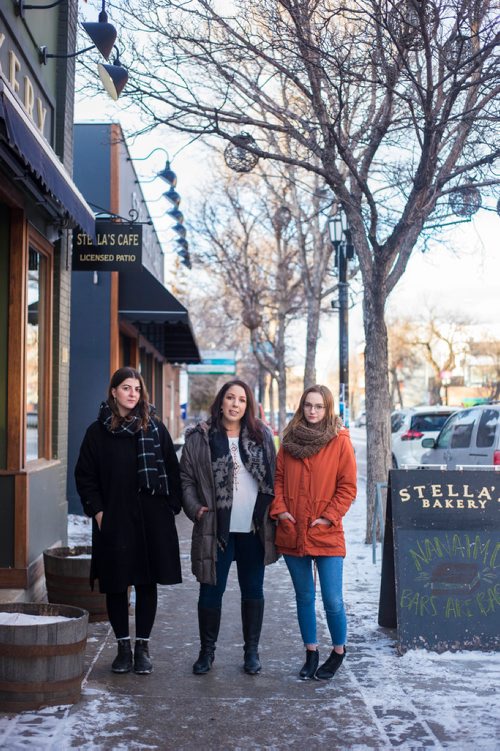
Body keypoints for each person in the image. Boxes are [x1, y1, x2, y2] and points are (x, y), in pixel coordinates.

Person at [75, 367, 182, 676]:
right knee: (117, 584)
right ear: (114, 392)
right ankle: (123, 648)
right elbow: (85, 476)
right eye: (126, 388)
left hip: (151, 519)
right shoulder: (97, 432)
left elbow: (173, 473)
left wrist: (169, 507)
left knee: (147, 582)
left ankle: (142, 648)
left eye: (137, 388)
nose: (133, 393)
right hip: (115, 518)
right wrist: (98, 512)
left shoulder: (155, 428)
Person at [180, 379, 278, 675]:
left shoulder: (262, 436)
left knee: (253, 591)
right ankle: (206, 653)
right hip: (216, 528)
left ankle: (251, 652)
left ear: (248, 406)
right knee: (210, 592)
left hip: (253, 528)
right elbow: (185, 480)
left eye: (242, 400)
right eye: (230, 398)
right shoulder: (200, 438)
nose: (235, 404)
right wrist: (196, 509)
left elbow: (274, 478)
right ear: (220, 402)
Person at [270, 385, 357, 681]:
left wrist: (327, 517)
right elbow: (278, 479)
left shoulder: (340, 440)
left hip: (326, 532)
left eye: (319, 406)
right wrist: (281, 511)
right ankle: (310, 651)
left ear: (328, 408)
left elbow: (347, 487)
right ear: (302, 406)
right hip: (293, 529)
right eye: (308, 405)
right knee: (304, 596)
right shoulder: (289, 439)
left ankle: (338, 651)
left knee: (332, 599)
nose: (313, 411)